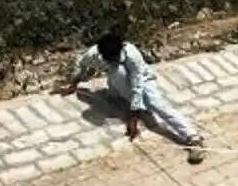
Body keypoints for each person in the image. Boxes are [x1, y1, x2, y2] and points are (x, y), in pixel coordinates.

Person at [59, 31, 205, 163]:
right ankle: (131, 103)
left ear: (122, 49)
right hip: (116, 83)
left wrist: (133, 116)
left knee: (156, 104)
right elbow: (81, 65)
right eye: (110, 59)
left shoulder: (132, 55)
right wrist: (73, 85)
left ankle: (192, 137)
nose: (113, 60)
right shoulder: (93, 54)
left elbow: (137, 87)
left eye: (115, 57)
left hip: (144, 81)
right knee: (116, 80)